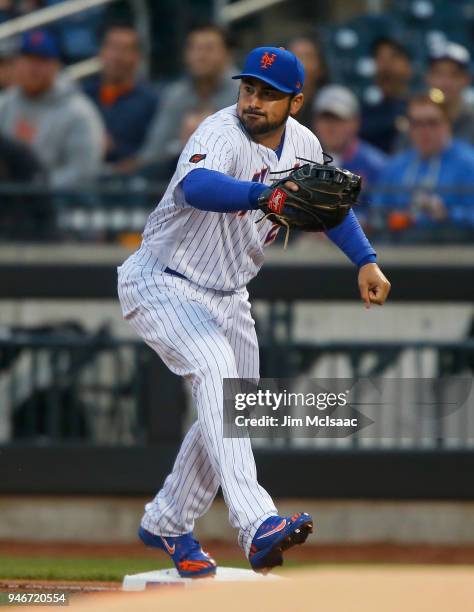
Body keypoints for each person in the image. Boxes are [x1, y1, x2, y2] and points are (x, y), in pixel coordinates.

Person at [117, 46, 391, 578]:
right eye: (248, 89)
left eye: (268, 94)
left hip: (228, 294)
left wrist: (365, 260)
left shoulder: (304, 144)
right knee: (219, 376)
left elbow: (329, 209)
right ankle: (257, 524)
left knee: (235, 408)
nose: (254, 101)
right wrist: (265, 195)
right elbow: (198, 187)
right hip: (164, 281)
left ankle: (168, 520)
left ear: (295, 101)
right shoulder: (218, 133)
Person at [0, 30, 104, 187]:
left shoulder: (79, 112)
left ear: (56, 66)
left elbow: (83, 172)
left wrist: (36, 188)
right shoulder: (5, 104)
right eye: (27, 59)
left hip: (59, 205)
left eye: (41, 60)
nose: (32, 68)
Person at [132, 23, 238, 177]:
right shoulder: (175, 94)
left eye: (209, 49)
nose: (200, 56)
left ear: (228, 55)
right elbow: (153, 153)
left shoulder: (245, 92)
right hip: (175, 177)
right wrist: (181, 145)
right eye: (194, 49)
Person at [372, 90, 474, 238]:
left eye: (432, 123)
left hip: (455, 252)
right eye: (417, 124)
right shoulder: (396, 166)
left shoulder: (468, 164)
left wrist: (448, 214)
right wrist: (393, 216)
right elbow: (377, 211)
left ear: (448, 124)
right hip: (399, 251)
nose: (424, 131)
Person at [83, 24, 158, 166]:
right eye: (112, 47)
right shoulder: (84, 96)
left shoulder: (151, 102)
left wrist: (116, 150)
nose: (117, 56)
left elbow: (154, 151)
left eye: (125, 49)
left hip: (130, 182)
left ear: (137, 57)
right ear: (101, 52)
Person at [313, 84, 387, 224]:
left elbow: (381, 216)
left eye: (338, 120)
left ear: (355, 122)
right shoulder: (304, 160)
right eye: (325, 119)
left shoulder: (376, 165)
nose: (330, 127)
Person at [360, 37, 412, 153]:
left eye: (393, 58)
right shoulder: (361, 111)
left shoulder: (418, 108)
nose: (386, 66)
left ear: (408, 67)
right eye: (380, 58)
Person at [426, 42, 474, 146]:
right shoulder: (417, 121)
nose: (445, 82)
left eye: (454, 75)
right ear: (428, 78)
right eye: (438, 73)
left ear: (467, 79)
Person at [288, 35, 328, 129]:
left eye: (307, 57)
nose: (300, 64)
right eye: (293, 57)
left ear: (321, 68)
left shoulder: (330, 105)